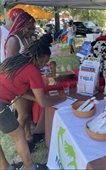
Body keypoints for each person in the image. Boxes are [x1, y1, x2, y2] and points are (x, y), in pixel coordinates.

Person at [0, 34, 66, 169]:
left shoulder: (16, 60)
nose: (43, 65)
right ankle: (30, 167)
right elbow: (43, 102)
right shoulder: (32, 70)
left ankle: (4, 167)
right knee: (19, 135)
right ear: (39, 57)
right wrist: (60, 98)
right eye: (44, 61)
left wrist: (38, 98)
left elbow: (21, 91)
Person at [4, 12, 36, 143]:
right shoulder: (14, 40)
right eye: (29, 28)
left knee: (27, 113)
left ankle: (28, 136)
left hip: (25, 81)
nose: (32, 31)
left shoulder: (26, 38)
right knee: (23, 115)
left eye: (33, 28)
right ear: (21, 26)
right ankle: (19, 142)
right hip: (16, 84)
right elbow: (10, 66)